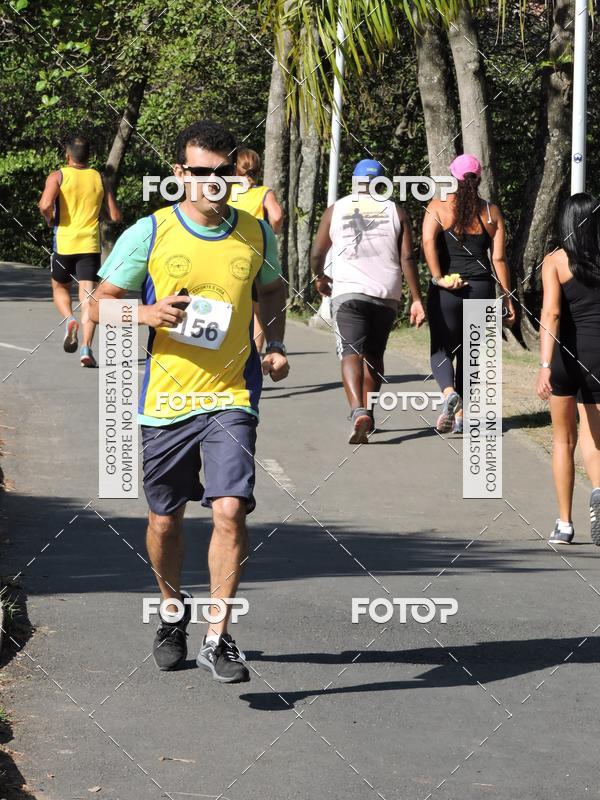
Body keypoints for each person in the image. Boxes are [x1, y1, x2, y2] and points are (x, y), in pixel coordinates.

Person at [91, 120, 290, 682]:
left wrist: (273, 343)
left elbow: (271, 290)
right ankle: (173, 613)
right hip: (167, 402)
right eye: (200, 173)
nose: (212, 182)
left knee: (229, 510)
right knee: (165, 522)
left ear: (235, 173)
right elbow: (98, 305)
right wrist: (146, 314)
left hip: (232, 395)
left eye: (222, 172)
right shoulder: (150, 233)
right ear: (180, 175)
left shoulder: (255, 232)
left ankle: (218, 637)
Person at [311, 159, 426, 444]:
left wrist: (319, 276)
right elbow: (408, 258)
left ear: (354, 182)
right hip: (386, 294)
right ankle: (370, 415)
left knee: (350, 352)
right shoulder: (396, 211)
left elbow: (317, 251)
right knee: (374, 355)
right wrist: (416, 298)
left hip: (349, 291)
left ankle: (357, 410)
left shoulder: (336, 209)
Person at [422, 154, 515, 434]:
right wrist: (507, 298)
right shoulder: (490, 212)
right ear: (480, 178)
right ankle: (461, 417)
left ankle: (449, 393)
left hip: (448, 291)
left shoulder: (437, 207)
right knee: (471, 354)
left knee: (441, 348)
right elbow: (498, 260)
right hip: (482, 290)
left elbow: (427, 241)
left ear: (452, 177)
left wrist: (440, 279)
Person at [537, 193, 600, 545]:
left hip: (565, 357)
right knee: (595, 438)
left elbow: (551, 314)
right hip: (598, 356)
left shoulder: (555, 261)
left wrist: (545, 365)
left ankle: (564, 523)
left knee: (563, 439)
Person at [38, 135, 121, 367]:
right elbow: (115, 216)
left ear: (67, 156)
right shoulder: (99, 177)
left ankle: (68, 319)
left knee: (60, 288)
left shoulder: (58, 176)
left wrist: (50, 219)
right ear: (89, 157)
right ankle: (86, 348)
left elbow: (44, 204)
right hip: (90, 245)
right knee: (89, 299)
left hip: (64, 242)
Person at [228, 148, 284, 353]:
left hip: (228, 254)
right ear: (257, 170)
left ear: (235, 170)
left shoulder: (225, 192)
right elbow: (277, 216)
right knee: (258, 311)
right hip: (256, 256)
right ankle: (255, 356)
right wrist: (271, 233)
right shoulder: (263, 193)